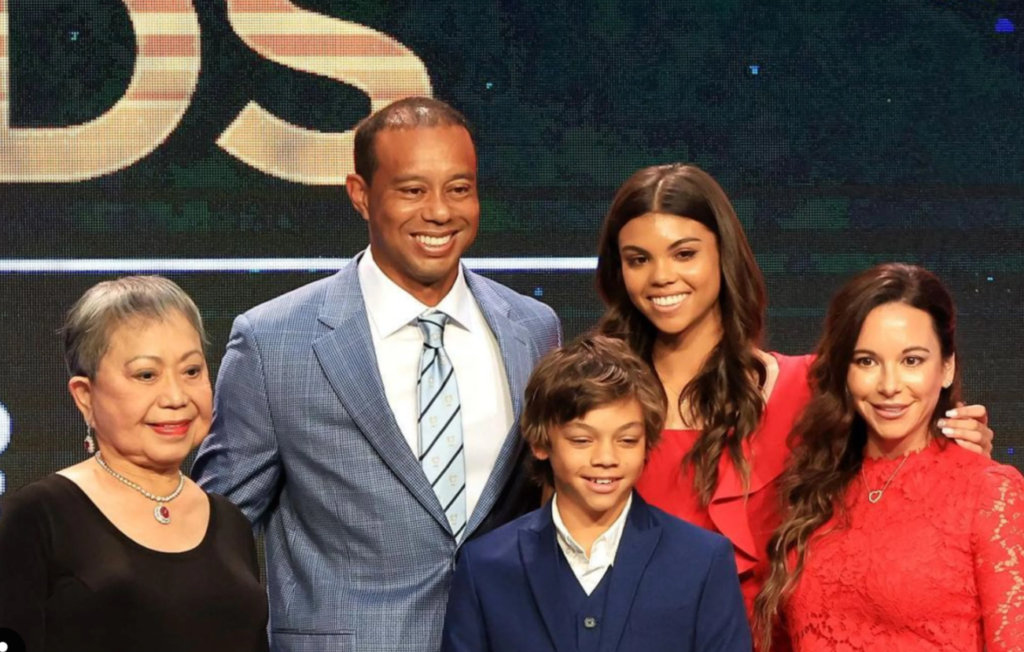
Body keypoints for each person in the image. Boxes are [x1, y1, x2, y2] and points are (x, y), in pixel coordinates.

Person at [192, 97, 562, 652]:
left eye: (459, 188)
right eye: (412, 190)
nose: (439, 212)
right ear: (361, 195)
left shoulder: (533, 329)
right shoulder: (273, 342)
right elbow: (220, 535)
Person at [593, 163, 995, 646]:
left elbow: (903, 488)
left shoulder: (809, 389)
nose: (662, 276)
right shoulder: (596, 403)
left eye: (684, 253)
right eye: (638, 259)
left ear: (724, 255)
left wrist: (958, 454)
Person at [753, 263, 1024, 651]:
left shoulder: (990, 492)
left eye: (912, 361)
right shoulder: (816, 484)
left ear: (946, 367)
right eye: (866, 361)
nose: (889, 385)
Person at [0, 276, 268, 652]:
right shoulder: (36, 518)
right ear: (85, 395)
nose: (176, 396)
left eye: (191, 371)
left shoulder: (229, 521)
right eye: (146, 375)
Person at [441, 335, 751, 652]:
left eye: (627, 440)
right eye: (582, 440)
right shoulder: (486, 566)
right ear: (541, 443)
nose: (606, 458)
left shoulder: (702, 560)